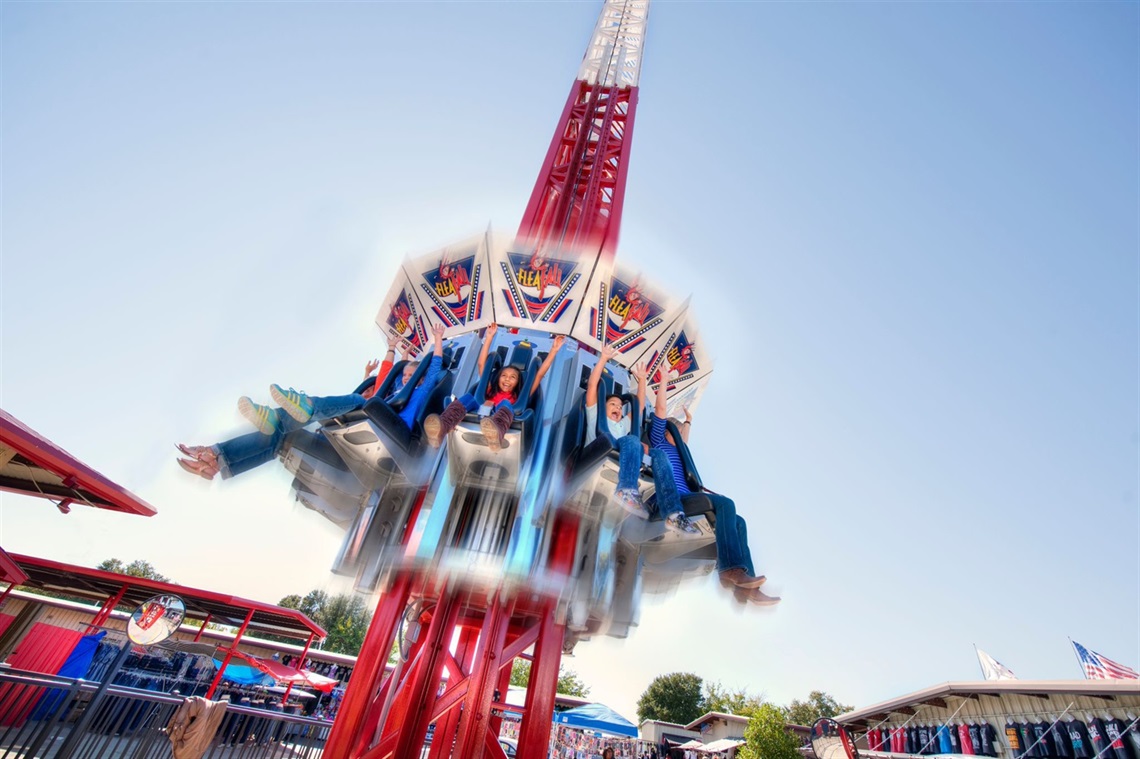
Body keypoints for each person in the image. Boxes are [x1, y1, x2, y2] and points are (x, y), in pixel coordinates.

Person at [177, 324, 446, 480]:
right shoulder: (390, 390)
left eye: (412, 375)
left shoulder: (417, 394)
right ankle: (217, 458)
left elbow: (433, 369)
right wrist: (386, 354)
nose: (407, 378)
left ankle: (303, 407)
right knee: (279, 438)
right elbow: (387, 376)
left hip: (387, 434)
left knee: (355, 399)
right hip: (344, 442)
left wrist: (436, 341)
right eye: (405, 375)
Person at [646, 370, 780, 606]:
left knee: (739, 522)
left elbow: (684, 436)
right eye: (675, 431)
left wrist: (688, 420)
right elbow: (660, 412)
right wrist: (664, 381)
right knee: (726, 503)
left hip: (689, 497)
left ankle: (743, 586)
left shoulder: (681, 452)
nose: (679, 436)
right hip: (674, 499)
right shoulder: (658, 440)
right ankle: (729, 570)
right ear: (667, 432)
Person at [584, 344, 699, 535]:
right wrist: (603, 358)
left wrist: (643, 380)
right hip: (599, 448)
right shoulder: (595, 413)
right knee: (632, 441)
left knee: (660, 455)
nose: (618, 408)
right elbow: (592, 385)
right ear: (603, 406)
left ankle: (673, 513)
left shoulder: (623, 425)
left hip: (623, 451)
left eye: (620, 406)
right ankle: (626, 489)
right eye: (613, 404)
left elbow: (638, 405)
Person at [423, 323, 564, 451]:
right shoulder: (489, 389)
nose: (507, 379)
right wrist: (489, 337)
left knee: (505, 403)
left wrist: (554, 351)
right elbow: (481, 365)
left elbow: (539, 374)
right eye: (504, 375)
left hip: (502, 422)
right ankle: (442, 427)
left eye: (513, 377)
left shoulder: (520, 394)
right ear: (498, 378)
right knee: (468, 398)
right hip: (479, 415)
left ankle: (495, 433)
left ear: (518, 383)